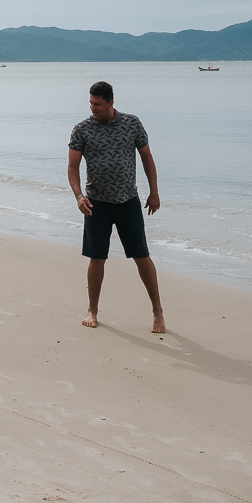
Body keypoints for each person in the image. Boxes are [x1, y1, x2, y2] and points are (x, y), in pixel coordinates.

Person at [67, 80, 166, 333]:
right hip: (96, 204)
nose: (93, 108)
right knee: (97, 258)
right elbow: (72, 167)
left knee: (142, 256)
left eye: (97, 104)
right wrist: (79, 196)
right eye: (90, 103)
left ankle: (157, 312)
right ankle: (92, 309)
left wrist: (154, 192)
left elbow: (147, 158)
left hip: (127, 203)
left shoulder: (132, 123)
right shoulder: (82, 130)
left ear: (111, 102)